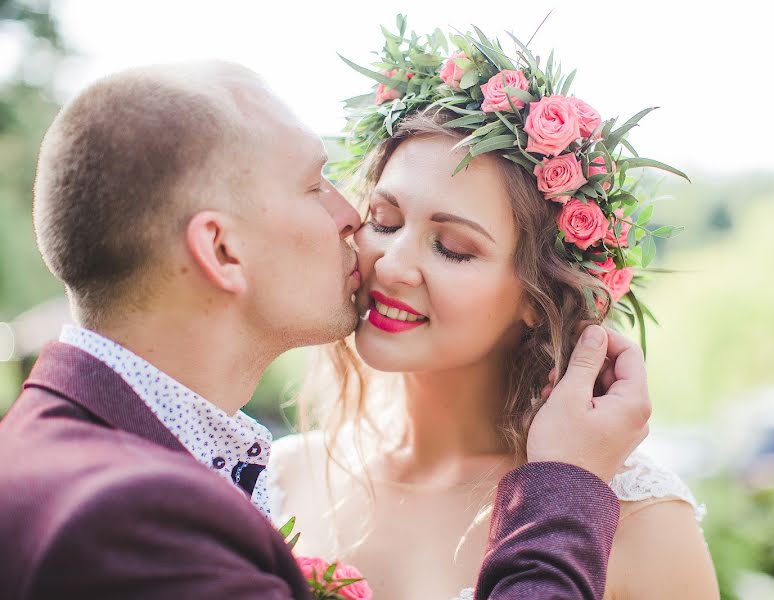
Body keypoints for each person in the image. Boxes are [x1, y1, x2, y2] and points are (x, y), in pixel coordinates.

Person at [0, 60, 649, 600]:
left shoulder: (64, 459)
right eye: (315, 186)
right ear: (222, 251)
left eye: (450, 244)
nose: (352, 219)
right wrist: (565, 488)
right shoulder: (129, 517)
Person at [269, 25, 719, 600]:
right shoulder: (281, 478)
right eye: (384, 221)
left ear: (536, 299)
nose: (392, 265)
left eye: (453, 247)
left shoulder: (634, 520)